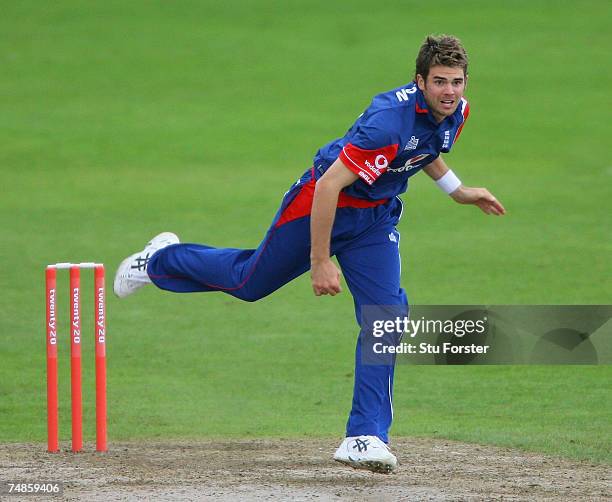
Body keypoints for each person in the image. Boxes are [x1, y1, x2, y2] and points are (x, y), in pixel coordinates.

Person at [114, 34, 506, 474]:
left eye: (456, 82)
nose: (450, 92)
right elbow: (329, 186)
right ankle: (160, 259)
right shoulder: (386, 121)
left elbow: (423, 149)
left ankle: (365, 436)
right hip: (320, 206)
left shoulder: (456, 112)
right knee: (249, 283)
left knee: (387, 316)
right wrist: (321, 261)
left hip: (374, 222)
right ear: (420, 82)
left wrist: (458, 192)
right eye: (439, 82)